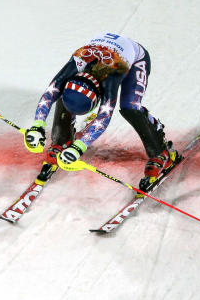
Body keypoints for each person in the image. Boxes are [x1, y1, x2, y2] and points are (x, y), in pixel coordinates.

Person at [23, 32, 179, 191]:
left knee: (130, 107)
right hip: (104, 52)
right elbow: (51, 91)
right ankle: (62, 139)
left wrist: (79, 147)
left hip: (133, 60)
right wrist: (37, 125)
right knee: (65, 92)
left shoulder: (111, 79)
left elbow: (103, 117)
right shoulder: (76, 63)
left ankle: (161, 152)